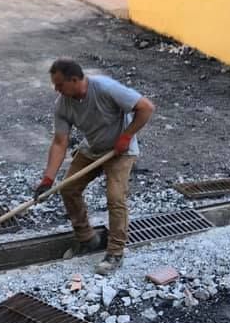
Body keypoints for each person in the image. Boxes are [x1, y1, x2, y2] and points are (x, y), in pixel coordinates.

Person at [35, 58, 155, 274]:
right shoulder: (63, 104)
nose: (56, 89)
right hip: (93, 149)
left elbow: (145, 107)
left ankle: (115, 252)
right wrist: (47, 179)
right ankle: (87, 238)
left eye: (59, 84)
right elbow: (60, 142)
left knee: (115, 197)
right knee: (69, 188)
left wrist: (127, 136)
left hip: (121, 151)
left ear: (74, 80)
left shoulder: (105, 88)